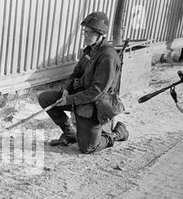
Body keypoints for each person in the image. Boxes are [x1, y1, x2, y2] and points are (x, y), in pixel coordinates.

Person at [37, 12, 129, 155]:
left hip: (95, 105)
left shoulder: (108, 57)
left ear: (101, 34)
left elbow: (97, 92)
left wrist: (69, 99)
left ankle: (117, 133)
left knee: (88, 148)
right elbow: (76, 73)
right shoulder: (90, 50)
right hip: (80, 97)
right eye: (85, 32)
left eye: (90, 32)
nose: (86, 35)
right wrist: (67, 89)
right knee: (45, 98)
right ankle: (69, 133)